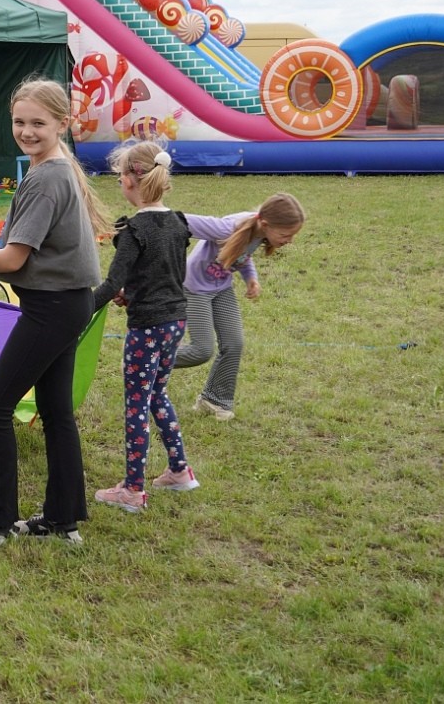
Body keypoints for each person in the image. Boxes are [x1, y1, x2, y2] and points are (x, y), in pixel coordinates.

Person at [0, 78, 112, 548]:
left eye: (38, 123)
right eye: (19, 122)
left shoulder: (48, 177)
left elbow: (12, 259)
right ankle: (61, 518)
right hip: (66, 304)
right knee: (55, 410)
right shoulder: (53, 169)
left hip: (53, 308)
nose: (27, 131)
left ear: (61, 124)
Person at [90, 142, 199, 515]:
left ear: (130, 181)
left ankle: (133, 490)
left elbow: (109, 284)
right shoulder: (178, 223)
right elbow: (167, 275)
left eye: (120, 176)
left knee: (136, 404)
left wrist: (77, 309)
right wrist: (132, 294)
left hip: (147, 328)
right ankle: (179, 470)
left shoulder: (134, 229)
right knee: (158, 394)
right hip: (175, 322)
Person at [174, 193, 307, 420]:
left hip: (221, 288)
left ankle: (213, 400)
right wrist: (152, 218)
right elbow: (182, 221)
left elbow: (243, 255)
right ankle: (145, 361)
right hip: (194, 288)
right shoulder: (227, 228)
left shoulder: (257, 231)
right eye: (286, 235)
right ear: (265, 224)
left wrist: (251, 278)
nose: (289, 241)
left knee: (234, 344)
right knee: (202, 350)